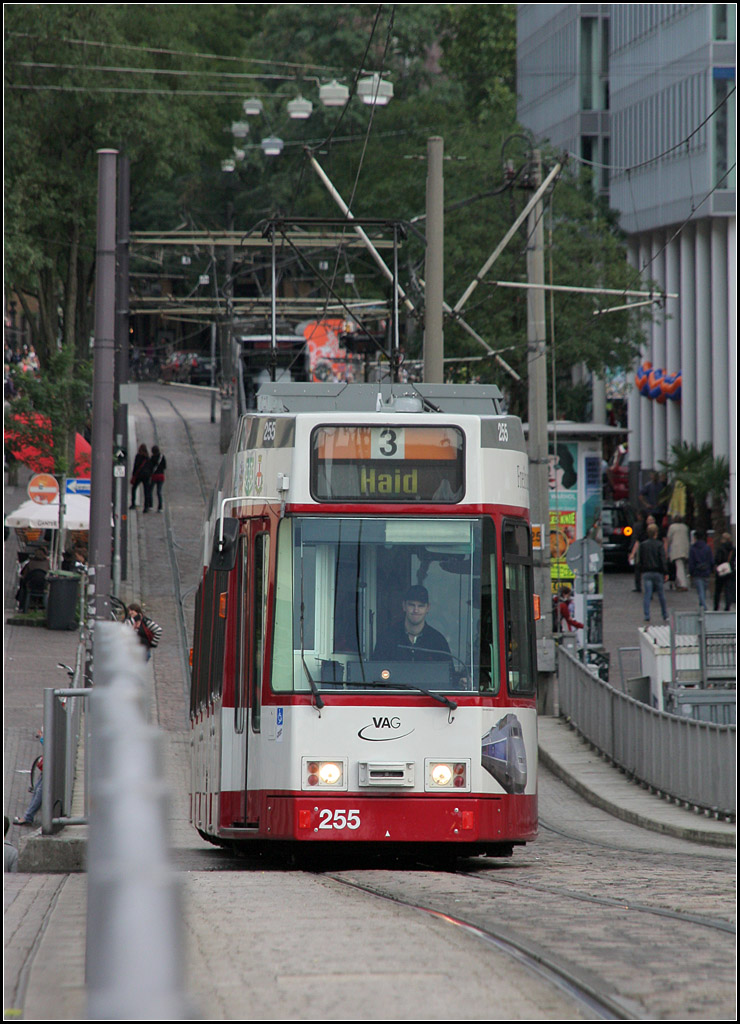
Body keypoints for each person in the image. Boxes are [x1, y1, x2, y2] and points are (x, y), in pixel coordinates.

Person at [373, 585, 451, 662]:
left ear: (428, 608)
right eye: (412, 605)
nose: (416, 610)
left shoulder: (438, 641)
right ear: (404, 606)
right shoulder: (388, 638)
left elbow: (449, 673)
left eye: (421, 606)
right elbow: (375, 671)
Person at [639, 523, 670, 623]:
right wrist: (666, 572)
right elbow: (662, 559)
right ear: (656, 533)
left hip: (647, 572)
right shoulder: (659, 544)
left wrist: (641, 570)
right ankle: (665, 614)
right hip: (657, 572)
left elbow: (641, 559)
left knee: (647, 594)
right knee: (661, 595)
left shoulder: (643, 545)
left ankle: (647, 615)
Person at [688, 530, 714, 611]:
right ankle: (702, 606)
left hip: (697, 572)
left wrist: (691, 572)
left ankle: (703, 607)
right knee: (704, 590)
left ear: (695, 538)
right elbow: (711, 560)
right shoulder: (707, 548)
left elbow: (691, 562)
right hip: (706, 572)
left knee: (700, 591)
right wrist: (711, 570)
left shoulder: (692, 549)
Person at [666, 515, 690, 591]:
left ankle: (682, 584)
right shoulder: (685, 527)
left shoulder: (672, 527)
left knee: (679, 567)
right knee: (683, 566)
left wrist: (667, 549)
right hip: (685, 548)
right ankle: (679, 583)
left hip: (676, 549)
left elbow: (669, 538)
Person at [712, 532, 735, 611]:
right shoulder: (733, 549)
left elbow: (717, 559)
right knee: (728, 589)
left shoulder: (720, 548)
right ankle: (727, 606)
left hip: (721, 571)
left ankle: (716, 607)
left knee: (718, 590)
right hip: (730, 571)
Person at [147, 445, 167, 513]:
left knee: (150, 491)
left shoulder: (152, 458)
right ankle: (160, 507)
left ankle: (150, 506)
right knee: (159, 492)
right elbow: (164, 466)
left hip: (154, 476)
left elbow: (150, 467)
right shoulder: (162, 457)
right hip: (161, 476)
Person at [130, 444, 149, 510]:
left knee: (134, 489)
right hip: (146, 476)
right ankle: (146, 506)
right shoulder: (147, 457)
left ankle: (133, 504)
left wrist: (133, 475)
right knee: (146, 491)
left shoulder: (138, 456)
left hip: (138, 475)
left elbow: (135, 466)